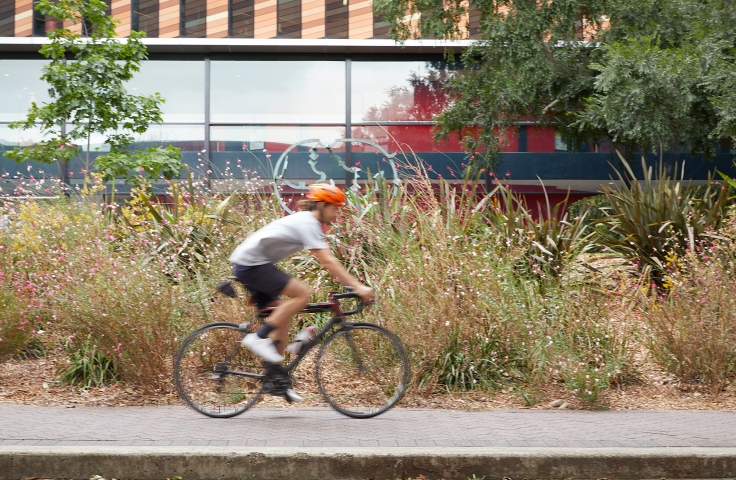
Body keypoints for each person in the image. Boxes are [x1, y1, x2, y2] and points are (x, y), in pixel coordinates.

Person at [229, 183, 375, 402]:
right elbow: (327, 260)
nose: (336, 214)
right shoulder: (308, 222)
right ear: (322, 205)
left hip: (254, 264)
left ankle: (276, 380)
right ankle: (258, 338)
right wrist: (358, 286)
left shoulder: (308, 222)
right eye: (335, 208)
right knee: (303, 293)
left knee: (282, 315)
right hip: (251, 265)